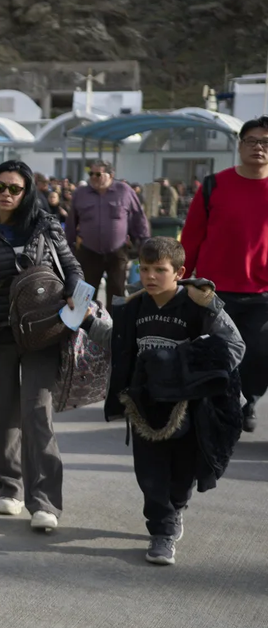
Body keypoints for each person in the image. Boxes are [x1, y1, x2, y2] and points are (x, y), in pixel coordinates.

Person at [83, 237, 244, 565]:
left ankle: (175, 508)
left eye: (160, 270)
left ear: (179, 272)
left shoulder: (199, 305)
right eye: (144, 269)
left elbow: (235, 347)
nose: (150, 276)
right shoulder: (134, 306)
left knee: (182, 471)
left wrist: (187, 359)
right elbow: (116, 341)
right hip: (145, 403)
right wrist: (85, 320)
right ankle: (162, 530)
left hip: (188, 406)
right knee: (150, 470)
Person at [0, 160, 83, 531]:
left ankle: (43, 501)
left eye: (15, 188)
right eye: (0, 187)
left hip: (43, 332)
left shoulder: (46, 225)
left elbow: (71, 266)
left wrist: (78, 295)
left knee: (36, 412)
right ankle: (8, 485)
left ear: (28, 191)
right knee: (2, 415)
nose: (7, 194)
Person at [181, 115, 268, 433]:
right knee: (217, 352)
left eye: (266, 142)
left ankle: (250, 398)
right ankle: (225, 405)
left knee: (259, 353)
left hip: (261, 291)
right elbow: (191, 237)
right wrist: (181, 278)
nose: (259, 147)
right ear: (240, 145)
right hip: (213, 289)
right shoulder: (215, 185)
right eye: (252, 141)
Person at [67, 159, 150, 309]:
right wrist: (68, 247)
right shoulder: (81, 193)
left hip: (117, 252)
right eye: (91, 173)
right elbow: (71, 222)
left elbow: (139, 218)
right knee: (84, 294)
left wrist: (144, 243)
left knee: (117, 293)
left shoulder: (124, 191)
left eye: (98, 174)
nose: (93, 177)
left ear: (111, 175)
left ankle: (115, 328)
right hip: (88, 252)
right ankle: (82, 328)